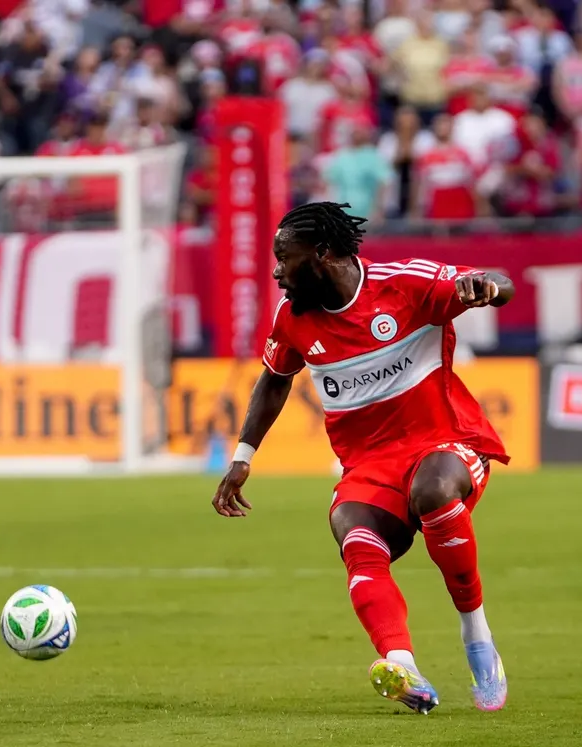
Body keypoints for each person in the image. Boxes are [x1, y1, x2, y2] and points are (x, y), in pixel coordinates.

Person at [211, 201, 514, 715]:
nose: (277, 272)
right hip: (370, 465)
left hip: (445, 441)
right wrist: (243, 456)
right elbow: (274, 380)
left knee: (433, 491)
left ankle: (477, 636)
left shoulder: (405, 284)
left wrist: (484, 286)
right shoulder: (292, 317)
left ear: (323, 254)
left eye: (285, 258)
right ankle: (402, 665)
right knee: (352, 531)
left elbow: (499, 283)